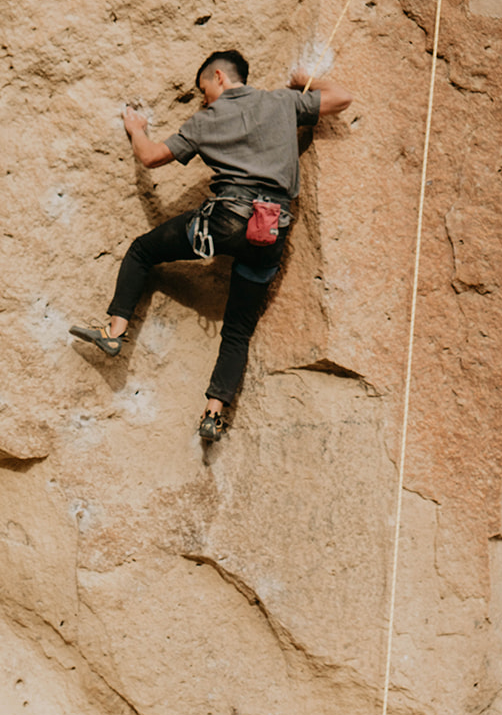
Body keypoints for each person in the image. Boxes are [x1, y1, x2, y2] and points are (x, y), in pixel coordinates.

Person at [70, 49, 352, 441]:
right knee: (238, 330)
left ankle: (114, 332)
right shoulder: (282, 102)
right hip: (270, 230)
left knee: (142, 251)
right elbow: (342, 98)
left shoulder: (206, 120)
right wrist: (306, 77)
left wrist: (137, 128)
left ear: (219, 77)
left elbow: (151, 158)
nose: (203, 98)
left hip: (224, 221)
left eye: (203, 89)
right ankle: (213, 414)